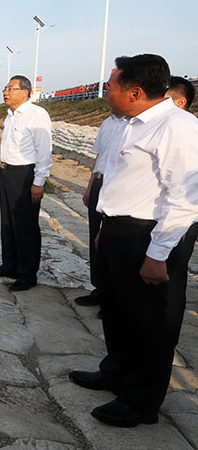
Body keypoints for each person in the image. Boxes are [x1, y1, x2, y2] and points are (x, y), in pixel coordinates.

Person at [69, 54, 198, 427]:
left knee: (151, 322)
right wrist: (104, 232)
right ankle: (116, 372)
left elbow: (185, 199)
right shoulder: (128, 123)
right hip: (118, 230)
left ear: (136, 91)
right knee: (116, 310)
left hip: (151, 236)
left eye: (111, 86)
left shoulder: (177, 127)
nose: (106, 92)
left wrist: (157, 255)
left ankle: (141, 401)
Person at [0, 75, 52, 291]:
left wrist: (38, 181)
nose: (6, 92)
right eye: (5, 88)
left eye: (11, 88)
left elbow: (43, 150)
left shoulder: (36, 115)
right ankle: (10, 265)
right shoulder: (10, 115)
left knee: (25, 225)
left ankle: (27, 274)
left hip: (25, 175)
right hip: (7, 172)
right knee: (8, 222)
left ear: (26, 92)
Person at [75, 113, 126, 307]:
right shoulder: (107, 122)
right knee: (96, 237)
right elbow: (99, 157)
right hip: (99, 182)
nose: (107, 94)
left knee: (113, 239)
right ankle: (99, 288)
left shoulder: (133, 123)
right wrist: (90, 187)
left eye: (112, 88)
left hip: (117, 185)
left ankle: (113, 295)